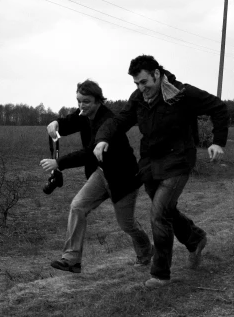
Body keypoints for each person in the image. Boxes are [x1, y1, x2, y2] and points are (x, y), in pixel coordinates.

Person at [93, 55, 229, 289]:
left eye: (144, 82)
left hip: (178, 160)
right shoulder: (138, 98)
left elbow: (219, 107)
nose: (140, 88)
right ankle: (195, 238)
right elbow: (120, 121)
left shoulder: (181, 94)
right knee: (166, 210)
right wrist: (103, 139)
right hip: (150, 164)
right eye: (136, 83)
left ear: (157, 74)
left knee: (158, 214)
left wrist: (218, 142)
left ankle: (160, 274)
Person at [41, 80, 152, 274]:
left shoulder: (108, 120)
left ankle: (146, 250)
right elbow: (72, 120)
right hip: (101, 174)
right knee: (77, 206)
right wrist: (57, 123)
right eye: (79, 101)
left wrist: (59, 163)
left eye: (86, 101)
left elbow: (90, 152)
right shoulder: (84, 114)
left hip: (123, 178)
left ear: (98, 101)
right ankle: (72, 259)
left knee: (127, 224)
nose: (81, 105)